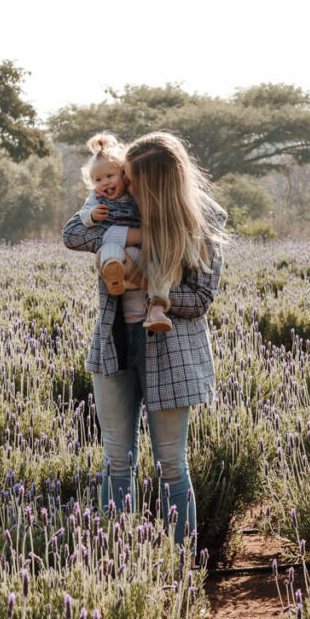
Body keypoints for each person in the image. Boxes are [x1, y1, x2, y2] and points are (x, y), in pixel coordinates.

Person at [62, 131, 227, 547]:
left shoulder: (202, 220)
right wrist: (125, 230)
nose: (124, 185)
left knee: (171, 465)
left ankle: (181, 563)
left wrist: (145, 278)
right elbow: (74, 235)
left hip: (171, 353)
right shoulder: (123, 206)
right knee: (116, 461)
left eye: (132, 179)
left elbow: (201, 299)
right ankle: (113, 558)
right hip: (115, 347)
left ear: (157, 182)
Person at [75, 133, 172, 331]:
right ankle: (114, 276)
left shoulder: (133, 194)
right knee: (109, 250)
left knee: (156, 266)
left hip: (140, 253)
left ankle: (156, 308)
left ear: (123, 175)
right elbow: (80, 220)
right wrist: (92, 215)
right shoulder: (97, 198)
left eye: (110, 176)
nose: (105, 183)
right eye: (98, 179)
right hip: (117, 255)